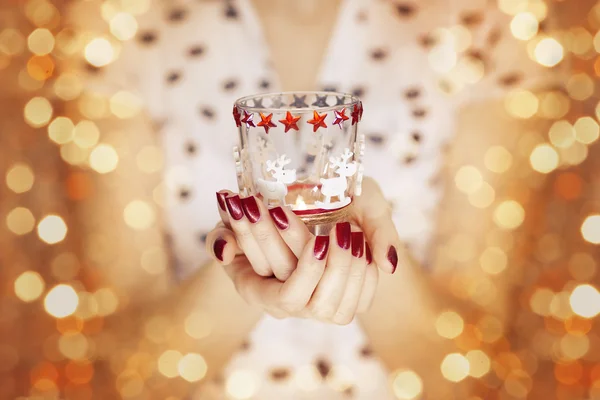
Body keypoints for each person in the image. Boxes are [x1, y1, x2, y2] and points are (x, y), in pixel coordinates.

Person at [68, 0, 558, 398]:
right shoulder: (122, 22)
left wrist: (364, 236)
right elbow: (131, 381)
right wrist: (249, 265)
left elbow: (473, 383)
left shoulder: (484, 24)